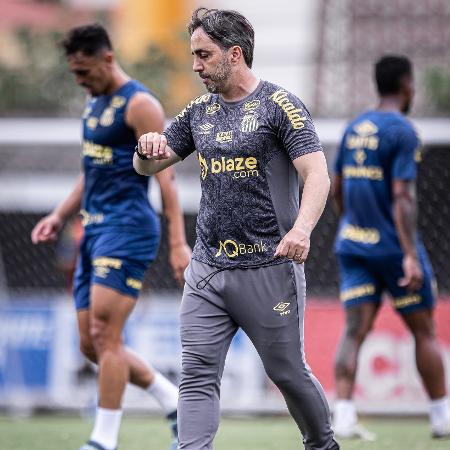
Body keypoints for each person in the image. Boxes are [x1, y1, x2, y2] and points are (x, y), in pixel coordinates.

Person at [134, 7, 340, 450]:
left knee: (286, 371)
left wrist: (302, 230)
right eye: (194, 55)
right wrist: (144, 148)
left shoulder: (279, 105)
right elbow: (150, 165)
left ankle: (322, 444)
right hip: (207, 269)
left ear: (234, 53)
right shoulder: (198, 112)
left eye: (204, 55)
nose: (196, 65)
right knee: (196, 375)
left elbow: (318, 175)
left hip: (269, 268)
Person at [31, 23, 191, 450]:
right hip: (93, 229)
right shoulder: (92, 102)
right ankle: (170, 396)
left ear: (107, 58)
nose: (80, 80)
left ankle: (103, 441)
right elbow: (92, 171)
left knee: (106, 334)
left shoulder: (140, 105)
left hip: (128, 228)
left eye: (84, 72)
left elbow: (167, 178)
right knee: (91, 345)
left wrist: (178, 241)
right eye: (74, 74)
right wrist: (59, 214)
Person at [332, 55, 450, 440]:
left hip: (353, 245)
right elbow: (403, 196)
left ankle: (344, 417)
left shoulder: (354, 127)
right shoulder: (403, 130)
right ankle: (441, 417)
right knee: (424, 331)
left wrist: (353, 223)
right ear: (407, 85)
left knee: (354, 331)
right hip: (394, 251)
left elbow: (337, 187)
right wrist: (411, 255)